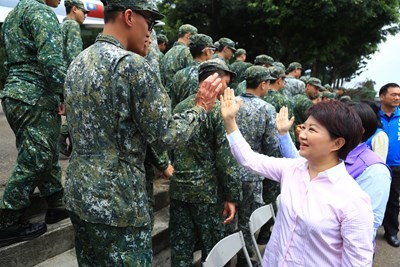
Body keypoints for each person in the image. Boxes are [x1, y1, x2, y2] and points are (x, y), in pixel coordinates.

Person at [63, 1, 223, 265]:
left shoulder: (78, 62)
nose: (150, 32)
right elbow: (166, 136)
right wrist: (200, 107)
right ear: (129, 16)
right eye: (148, 22)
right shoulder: (133, 66)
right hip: (119, 201)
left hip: (80, 193)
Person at [220, 91, 374, 266]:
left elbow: (358, 262)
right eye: (304, 127)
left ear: (337, 143)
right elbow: (249, 159)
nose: (302, 135)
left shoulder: (353, 200)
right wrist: (230, 121)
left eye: (312, 130)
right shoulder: (292, 169)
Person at [0, 0, 68, 247]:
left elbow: (6, 59)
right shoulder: (41, 12)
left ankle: (56, 204)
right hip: (35, 95)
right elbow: (51, 61)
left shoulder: (13, 16)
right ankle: (7, 220)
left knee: (43, 154)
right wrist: (66, 95)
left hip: (15, 94)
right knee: (36, 158)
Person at [278, 102, 391, 243]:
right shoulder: (333, 153)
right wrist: (283, 134)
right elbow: (298, 162)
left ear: (359, 130)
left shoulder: (375, 171)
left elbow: (367, 227)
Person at [169, 59, 241, 266]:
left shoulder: (181, 106)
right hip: (207, 194)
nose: (227, 88)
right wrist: (232, 196)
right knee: (213, 252)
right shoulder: (218, 111)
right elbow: (225, 159)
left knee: (181, 249)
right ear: (215, 80)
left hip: (180, 189)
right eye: (225, 83)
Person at [234, 66, 280, 266]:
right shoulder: (267, 109)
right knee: (247, 221)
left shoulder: (231, 102)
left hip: (227, 171)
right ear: (263, 84)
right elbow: (271, 146)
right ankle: (245, 258)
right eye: (268, 83)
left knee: (226, 219)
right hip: (252, 173)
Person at [59, 0, 89, 157]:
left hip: (62, 77)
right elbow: (74, 58)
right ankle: (65, 137)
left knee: (72, 111)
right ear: (74, 9)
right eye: (83, 11)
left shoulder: (62, 25)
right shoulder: (72, 26)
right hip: (72, 78)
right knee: (77, 112)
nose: (85, 15)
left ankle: (67, 139)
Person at [167, 33, 215, 109]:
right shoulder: (210, 75)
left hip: (180, 118)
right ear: (207, 51)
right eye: (212, 50)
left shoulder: (179, 74)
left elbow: (173, 102)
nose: (213, 53)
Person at [379, 83, 400, 247]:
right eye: (393, 94)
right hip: (374, 165)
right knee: (372, 197)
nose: (397, 98)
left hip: (396, 166)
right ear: (382, 96)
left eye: (399, 95)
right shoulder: (373, 116)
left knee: (393, 200)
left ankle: (391, 231)